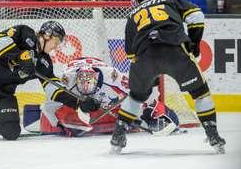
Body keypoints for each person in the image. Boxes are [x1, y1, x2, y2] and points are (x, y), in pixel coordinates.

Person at [110, 0, 226, 154]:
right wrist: (194, 44)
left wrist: (149, 76)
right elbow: (197, 16)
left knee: (135, 97)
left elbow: (131, 55)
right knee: (200, 93)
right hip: (175, 51)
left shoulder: (132, 15)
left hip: (144, 58)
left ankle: (118, 136)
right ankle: (213, 135)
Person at [26, 57, 180, 137]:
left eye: (90, 83)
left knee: (135, 103)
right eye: (82, 84)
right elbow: (48, 105)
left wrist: (151, 109)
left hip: (99, 67)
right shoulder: (67, 79)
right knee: (62, 113)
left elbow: (142, 90)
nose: (86, 88)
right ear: (77, 81)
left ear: (97, 81)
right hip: (76, 68)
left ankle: (162, 115)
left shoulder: (112, 77)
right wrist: (58, 124)